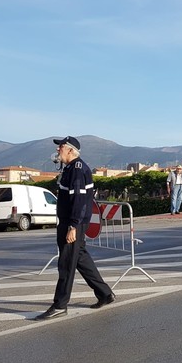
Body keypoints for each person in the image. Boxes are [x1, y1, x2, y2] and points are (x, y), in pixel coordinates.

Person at [35, 136, 115, 320]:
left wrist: (73, 226)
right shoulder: (71, 168)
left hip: (72, 223)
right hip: (72, 222)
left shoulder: (77, 170)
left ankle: (60, 304)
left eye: (60, 147)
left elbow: (78, 201)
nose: (57, 150)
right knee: (80, 258)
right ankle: (105, 294)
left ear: (70, 150)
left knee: (65, 264)